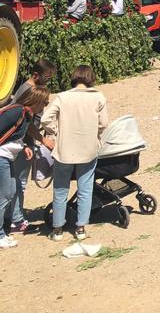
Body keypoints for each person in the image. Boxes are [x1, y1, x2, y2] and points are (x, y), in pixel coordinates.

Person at [41, 65, 109, 241]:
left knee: (60, 189)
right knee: (85, 189)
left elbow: (45, 119)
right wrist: (96, 136)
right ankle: (80, 228)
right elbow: (103, 124)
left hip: (64, 150)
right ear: (90, 78)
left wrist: (54, 132)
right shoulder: (98, 97)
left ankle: (57, 229)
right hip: (87, 150)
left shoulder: (62, 97)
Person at [0, 86, 50, 248]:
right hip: (2, 157)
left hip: (7, 156)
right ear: (36, 101)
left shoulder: (26, 115)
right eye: (45, 102)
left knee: (11, 191)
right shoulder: (17, 112)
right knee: (5, 195)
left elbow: (13, 135)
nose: (46, 105)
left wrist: (24, 147)